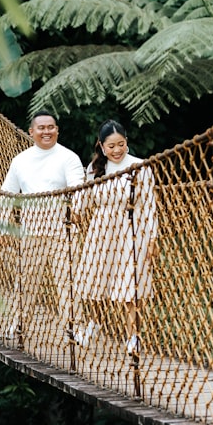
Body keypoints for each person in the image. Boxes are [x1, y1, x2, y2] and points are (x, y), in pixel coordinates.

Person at [0, 111, 85, 343]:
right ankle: (18, 324)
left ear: (57, 130)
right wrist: (1, 228)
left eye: (51, 127)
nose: (47, 131)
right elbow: (7, 194)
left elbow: (78, 187)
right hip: (30, 231)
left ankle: (74, 328)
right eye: (41, 128)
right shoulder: (20, 160)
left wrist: (77, 208)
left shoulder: (69, 157)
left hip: (62, 231)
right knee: (25, 281)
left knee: (69, 281)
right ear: (31, 132)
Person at [75, 120, 157, 355]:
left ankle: (134, 337)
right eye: (111, 146)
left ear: (127, 143)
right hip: (100, 230)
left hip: (131, 231)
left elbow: (149, 204)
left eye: (121, 144)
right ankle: (95, 323)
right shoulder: (94, 168)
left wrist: (153, 239)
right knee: (94, 281)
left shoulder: (140, 166)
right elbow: (83, 197)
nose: (117, 150)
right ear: (101, 146)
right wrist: (76, 212)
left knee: (130, 286)